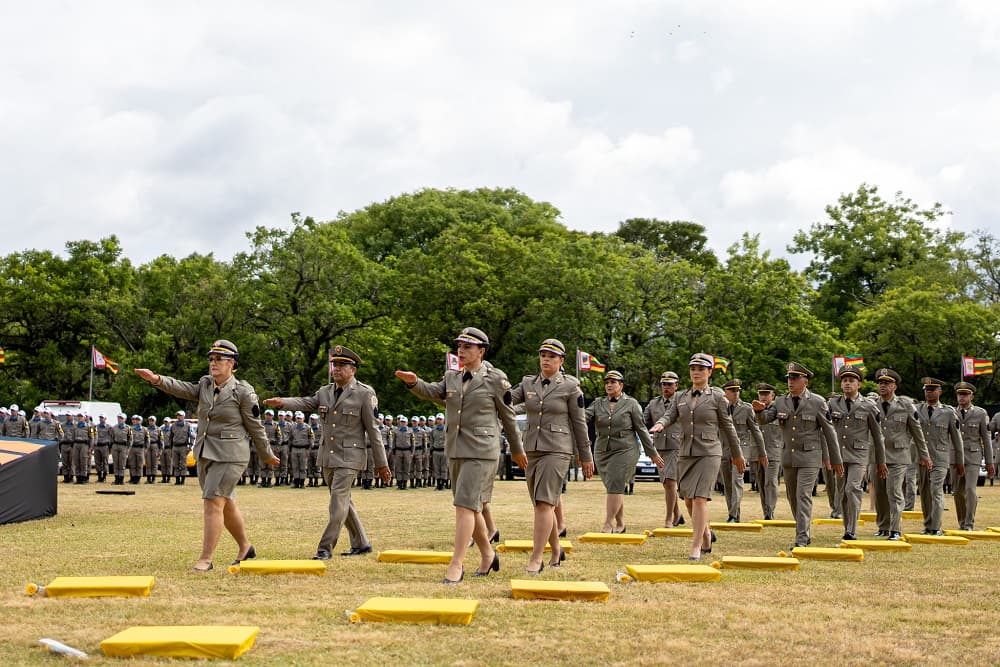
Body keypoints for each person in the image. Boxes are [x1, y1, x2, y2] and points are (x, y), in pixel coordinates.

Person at [135, 339, 279, 572]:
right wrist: (156, 379)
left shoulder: (243, 392)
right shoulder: (205, 385)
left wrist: (267, 454)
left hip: (231, 455)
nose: (213, 363)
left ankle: (206, 559)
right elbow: (182, 388)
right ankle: (245, 547)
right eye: (211, 359)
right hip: (205, 452)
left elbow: (255, 426)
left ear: (231, 363)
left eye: (219, 359)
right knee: (226, 502)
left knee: (212, 501)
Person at [396, 326, 524, 584]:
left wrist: (517, 450)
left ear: (481, 351)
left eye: (467, 347)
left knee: (464, 505)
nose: (461, 351)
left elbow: (509, 417)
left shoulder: (496, 379)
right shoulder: (452, 377)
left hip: (482, 450)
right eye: (459, 347)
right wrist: (413, 382)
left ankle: (457, 564)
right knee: (471, 507)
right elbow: (434, 392)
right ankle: (488, 555)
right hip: (456, 448)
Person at [265, 345, 391, 559]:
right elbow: (305, 402)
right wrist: (282, 402)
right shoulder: (324, 392)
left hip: (350, 457)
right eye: (335, 364)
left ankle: (325, 548)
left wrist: (381, 463)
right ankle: (361, 543)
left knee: (337, 503)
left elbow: (373, 430)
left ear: (353, 369)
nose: (336, 369)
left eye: (342, 365)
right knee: (343, 502)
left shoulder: (363, 393)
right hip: (328, 456)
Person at [509, 339, 595, 574]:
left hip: (558, 448)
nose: (546, 359)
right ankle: (557, 550)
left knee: (545, 503)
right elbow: (506, 400)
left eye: (552, 356)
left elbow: (579, 423)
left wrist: (585, 455)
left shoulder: (570, 386)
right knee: (540, 503)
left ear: (561, 361)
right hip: (532, 449)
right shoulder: (527, 383)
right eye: (543, 354)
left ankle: (537, 558)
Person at [652, 353, 741, 559]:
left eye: (701, 369)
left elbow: (728, 427)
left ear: (710, 372)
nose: (696, 373)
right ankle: (706, 534)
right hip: (686, 452)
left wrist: (737, 455)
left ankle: (696, 545)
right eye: (693, 369)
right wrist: (660, 424)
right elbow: (669, 415)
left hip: (709, 452)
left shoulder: (718, 397)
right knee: (688, 500)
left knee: (700, 498)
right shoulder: (680, 397)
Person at [753, 362, 843, 549]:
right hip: (788, 457)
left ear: (805, 381)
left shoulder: (817, 402)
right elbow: (764, 420)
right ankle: (804, 530)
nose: (790, 382)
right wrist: (759, 410)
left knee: (803, 495)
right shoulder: (780, 401)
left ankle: (801, 537)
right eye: (788, 378)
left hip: (810, 457)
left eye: (795, 378)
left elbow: (829, 432)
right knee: (792, 497)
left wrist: (835, 459)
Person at [589, 370, 663, 534]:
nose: (609, 385)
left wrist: (652, 453)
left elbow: (642, 430)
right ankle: (621, 523)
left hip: (625, 450)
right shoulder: (597, 403)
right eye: (607, 382)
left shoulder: (631, 404)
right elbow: (583, 418)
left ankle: (608, 524)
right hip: (602, 450)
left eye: (613, 382)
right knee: (613, 487)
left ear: (621, 385)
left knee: (615, 484)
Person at [827, 366, 887, 540]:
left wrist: (881, 461)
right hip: (839, 455)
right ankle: (848, 526)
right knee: (843, 493)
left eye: (851, 381)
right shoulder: (832, 404)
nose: (847, 384)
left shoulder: (869, 406)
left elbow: (877, 436)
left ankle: (851, 530)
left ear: (859, 384)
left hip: (859, 455)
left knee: (852, 488)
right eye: (844, 381)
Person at [872, 368, 932, 540]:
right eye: (880, 383)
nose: (882, 386)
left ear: (894, 386)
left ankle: (895, 529)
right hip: (876, 456)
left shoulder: (905, 405)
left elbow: (917, 431)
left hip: (898, 455)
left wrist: (924, 454)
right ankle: (883, 526)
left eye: (887, 383)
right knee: (880, 493)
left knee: (894, 491)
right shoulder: (872, 404)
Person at [916, 377, 964, 535]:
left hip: (940, 458)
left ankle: (935, 527)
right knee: (924, 492)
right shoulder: (917, 410)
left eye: (932, 390)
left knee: (936, 490)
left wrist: (959, 461)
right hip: (922, 458)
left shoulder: (948, 412)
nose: (929, 393)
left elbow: (957, 440)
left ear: (940, 392)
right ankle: (928, 525)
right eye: (926, 390)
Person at [721, 378, 766, 523]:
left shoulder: (746, 408)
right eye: (732, 390)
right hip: (724, 448)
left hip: (741, 449)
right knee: (727, 484)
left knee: (737, 480)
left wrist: (762, 452)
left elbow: (756, 431)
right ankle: (733, 513)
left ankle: (733, 515)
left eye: (737, 391)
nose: (735, 393)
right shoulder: (719, 407)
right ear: (725, 392)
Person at [643, 371, 684, 527]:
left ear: (676, 386)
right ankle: (677, 514)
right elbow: (643, 420)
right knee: (666, 483)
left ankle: (669, 519)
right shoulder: (654, 403)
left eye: (670, 384)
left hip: (677, 446)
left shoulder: (681, 401)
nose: (666, 387)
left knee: (670, 481)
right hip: (660, 447)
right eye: (664, 384)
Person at [954, 382, 994, 529]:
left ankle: (969, 523)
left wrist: (989, 462)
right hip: (956, 457)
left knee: (970, 489)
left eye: (965, 394)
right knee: (958, 492)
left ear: (971, 396)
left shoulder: (980, 413)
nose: (962, 397)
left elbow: (986, 438)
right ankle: (962, 522)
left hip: (973, 456)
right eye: (959, 394)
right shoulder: (951, 412)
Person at [754, 383, 783, 520]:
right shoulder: (753, 410)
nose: (763, 397)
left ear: (773, 396)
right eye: (761, 394)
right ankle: (765, 509)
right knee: (761, 482)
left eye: (766, 394)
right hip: (758, 452)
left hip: (773, 452)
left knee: (770, 481)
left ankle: (770, 511)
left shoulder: (778, 410)